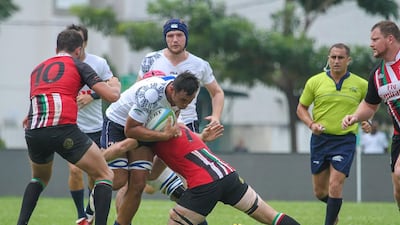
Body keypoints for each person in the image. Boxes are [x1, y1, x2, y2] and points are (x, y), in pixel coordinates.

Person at [17, 29, 121, 225]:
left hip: (34, 130)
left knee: (39, 179)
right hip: (62, 129)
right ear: (79, 50)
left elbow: (43, 97)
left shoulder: (37, 69)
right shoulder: (79, 64)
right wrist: (115, 85)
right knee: (105, 174)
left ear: (56, 48)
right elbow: (112, 96)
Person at [125, 124, 301, 225]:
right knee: (272, 217)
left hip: (204, 185)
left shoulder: (152, 138)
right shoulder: (181, 127)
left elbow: (152, 173)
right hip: (228, 174)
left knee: (176, 220)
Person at [101, 71, 199, 225]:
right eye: (184, 100)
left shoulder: (180, 90)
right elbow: (130, 130)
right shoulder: (151, 94)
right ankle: (94, 168)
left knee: (138, 183)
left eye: (190, 101)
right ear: (172, 90)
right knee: (118, 181)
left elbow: (172, 118)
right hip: (118, 124)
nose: (186, 105)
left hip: (146, 126)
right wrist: (164, 136)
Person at [296, 43, 370, 225]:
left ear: (348, 60)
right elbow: (301, 108)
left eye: (340, 58)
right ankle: (333, 212)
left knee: (335, 185)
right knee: (320, 192)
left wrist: (366, 121)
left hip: (345, 140)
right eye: (333, 57)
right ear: (328, 58)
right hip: (320, 140)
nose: (336, 61)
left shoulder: (361, 84)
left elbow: (369, 107)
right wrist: (311, 124)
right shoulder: (315, 82)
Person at [342, 20, 400, 212]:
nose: (371, 44)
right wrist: (354, 117)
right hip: (398, 135)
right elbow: (369, 105)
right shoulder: (377, 74)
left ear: (390, 39)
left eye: (375, 39)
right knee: (398, 187)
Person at [65, 24, 115, 225]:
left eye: (78, 39)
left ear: (84, 42)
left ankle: (90, 212)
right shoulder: (63, 65)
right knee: (75, 171)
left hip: (96, 127)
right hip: (70, 127)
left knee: (95, 175)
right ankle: (81, 216)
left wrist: (92, 96)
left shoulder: (98, 63)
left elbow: (113, 84)